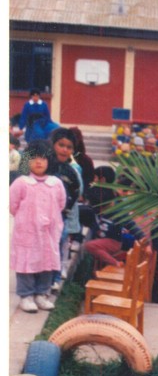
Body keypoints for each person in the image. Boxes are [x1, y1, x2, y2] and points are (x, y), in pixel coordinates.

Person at [10, 139, 65, 313]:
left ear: (49, 160)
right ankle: (26, 296)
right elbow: (13, 205)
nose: (39, 162)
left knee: (46, 261)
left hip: (49, 232)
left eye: (42, 158)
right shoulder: (22, 183)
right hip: (27, 232)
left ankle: (41, 293)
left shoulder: (55, 183)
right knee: (26, 262)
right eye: (34, 158)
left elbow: (61, 203)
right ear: (27, 161)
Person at [49, 127, 82, 289]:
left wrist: (66, 207)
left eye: (69, 147)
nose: (64, 149)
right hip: (40, 215)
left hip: (60, 216)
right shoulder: (44, 165)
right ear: (53, 144)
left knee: (58, 243)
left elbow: (76, 191)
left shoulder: (71, 172)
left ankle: (54, 279)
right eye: (61, 145)